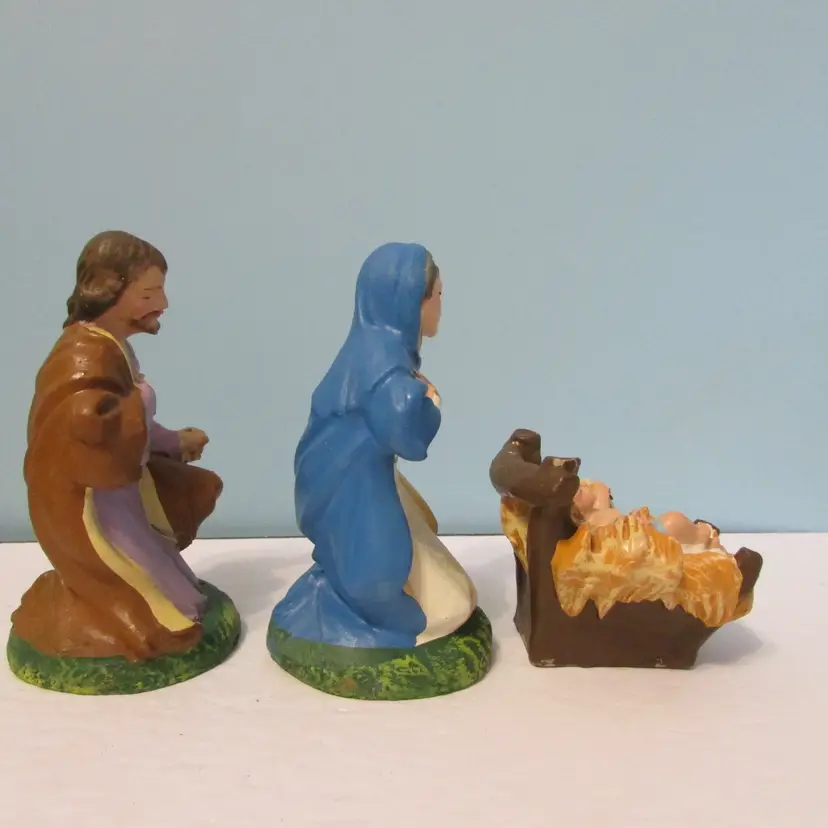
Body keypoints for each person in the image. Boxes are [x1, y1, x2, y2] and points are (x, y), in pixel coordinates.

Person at [12, 230, 223, 661]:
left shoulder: (112, 348)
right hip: (91, 503)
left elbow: (128, 425)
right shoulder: (81, 355)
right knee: (144, 587)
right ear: (109, 291)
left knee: (173, 579)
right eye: (149, 294)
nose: (163, 303)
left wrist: (173, 441)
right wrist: (142, 399)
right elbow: (89, 424)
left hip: (122, 490)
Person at [272, 242, 477, 649]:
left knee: (437, 581)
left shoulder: (370, 350)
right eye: (437, 295)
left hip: (357, 474)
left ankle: (346, 586)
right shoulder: (385, 366)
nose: (441, 306)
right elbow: (408, 436)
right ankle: (359, 609)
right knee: (440, 603)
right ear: (410, 302)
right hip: (354, 485)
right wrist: (431, 401)